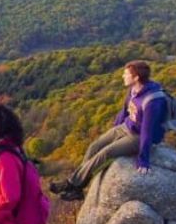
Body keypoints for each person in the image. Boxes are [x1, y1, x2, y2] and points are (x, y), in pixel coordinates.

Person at [49, 60, 167, 201]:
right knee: (95, 146)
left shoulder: (152, 101)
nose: (123, 76)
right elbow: (125, 111)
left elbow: (147, 132)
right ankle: (78, 189)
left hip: (138, 136)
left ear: (136, 78)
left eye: (126, 74)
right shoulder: (134, 90)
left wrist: (143, 159)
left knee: (106, 153)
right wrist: (114, 131)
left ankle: (71, 183)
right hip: (126, 127)